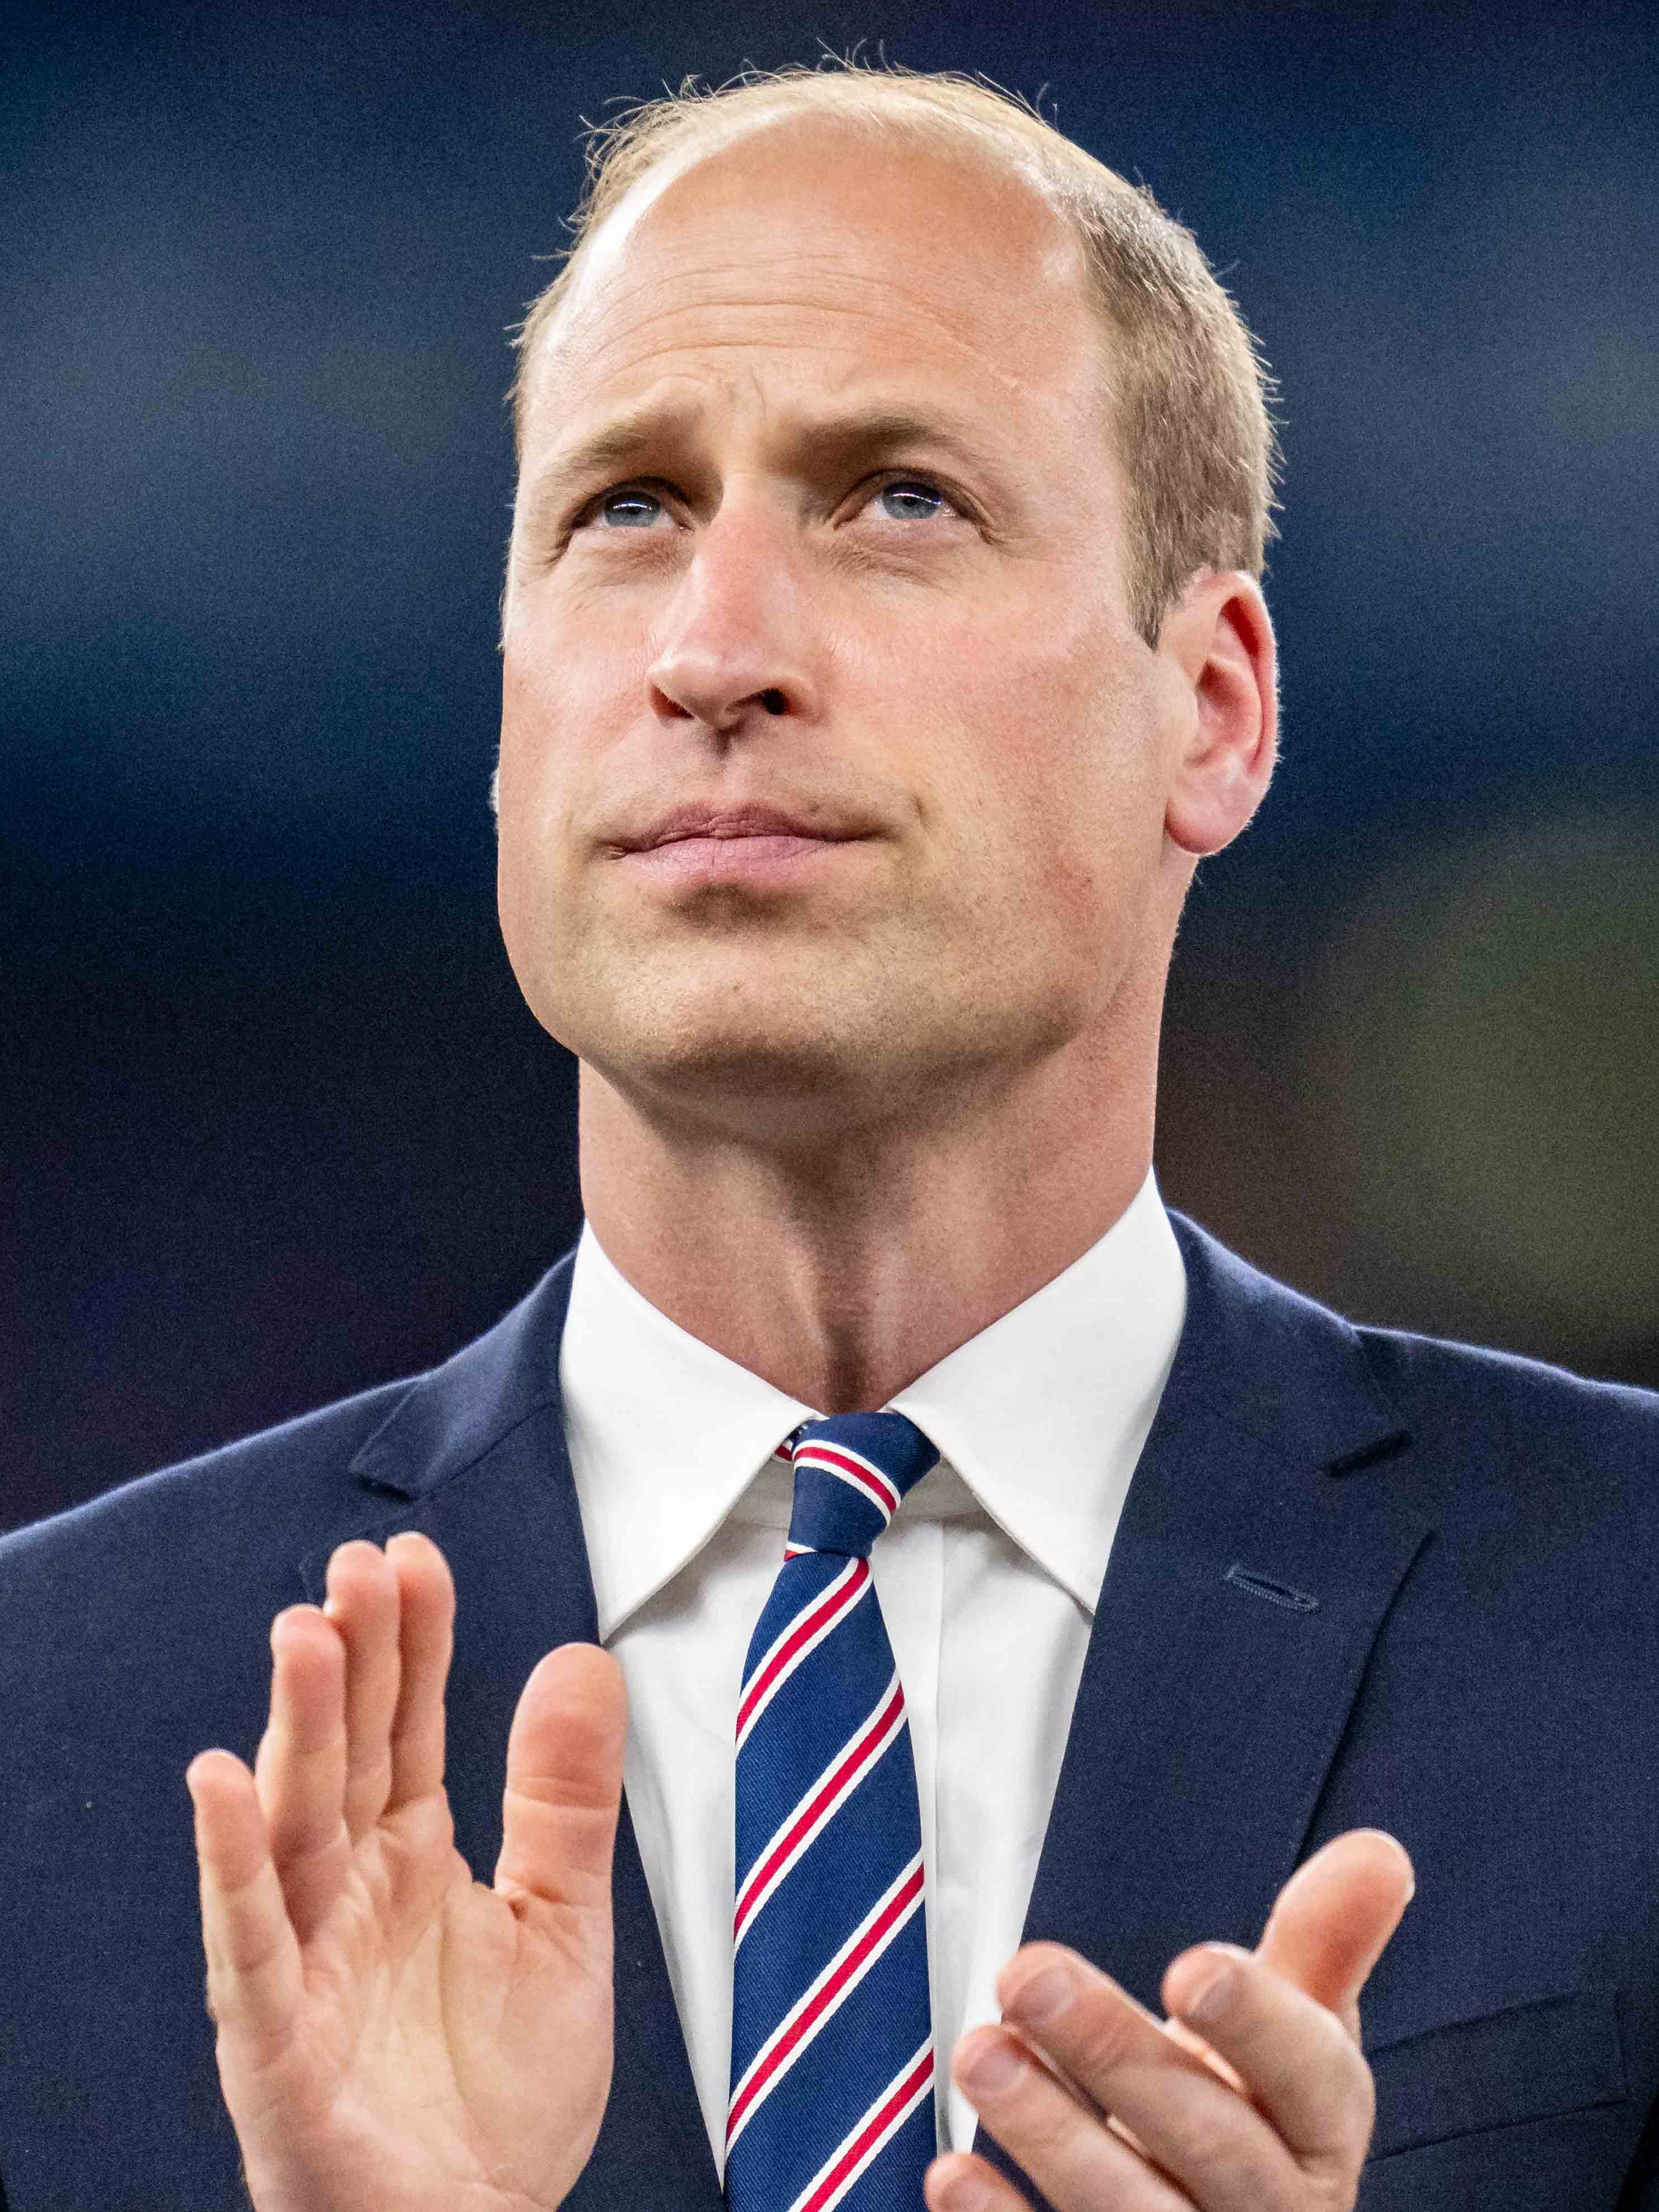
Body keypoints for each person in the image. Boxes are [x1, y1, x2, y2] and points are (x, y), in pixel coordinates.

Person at [1, 59, 1656, 2212]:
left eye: (898, 499)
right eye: (624, 512)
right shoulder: (47, 1734)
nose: (716, 649)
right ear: (506, 729)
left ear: (1215, 706)